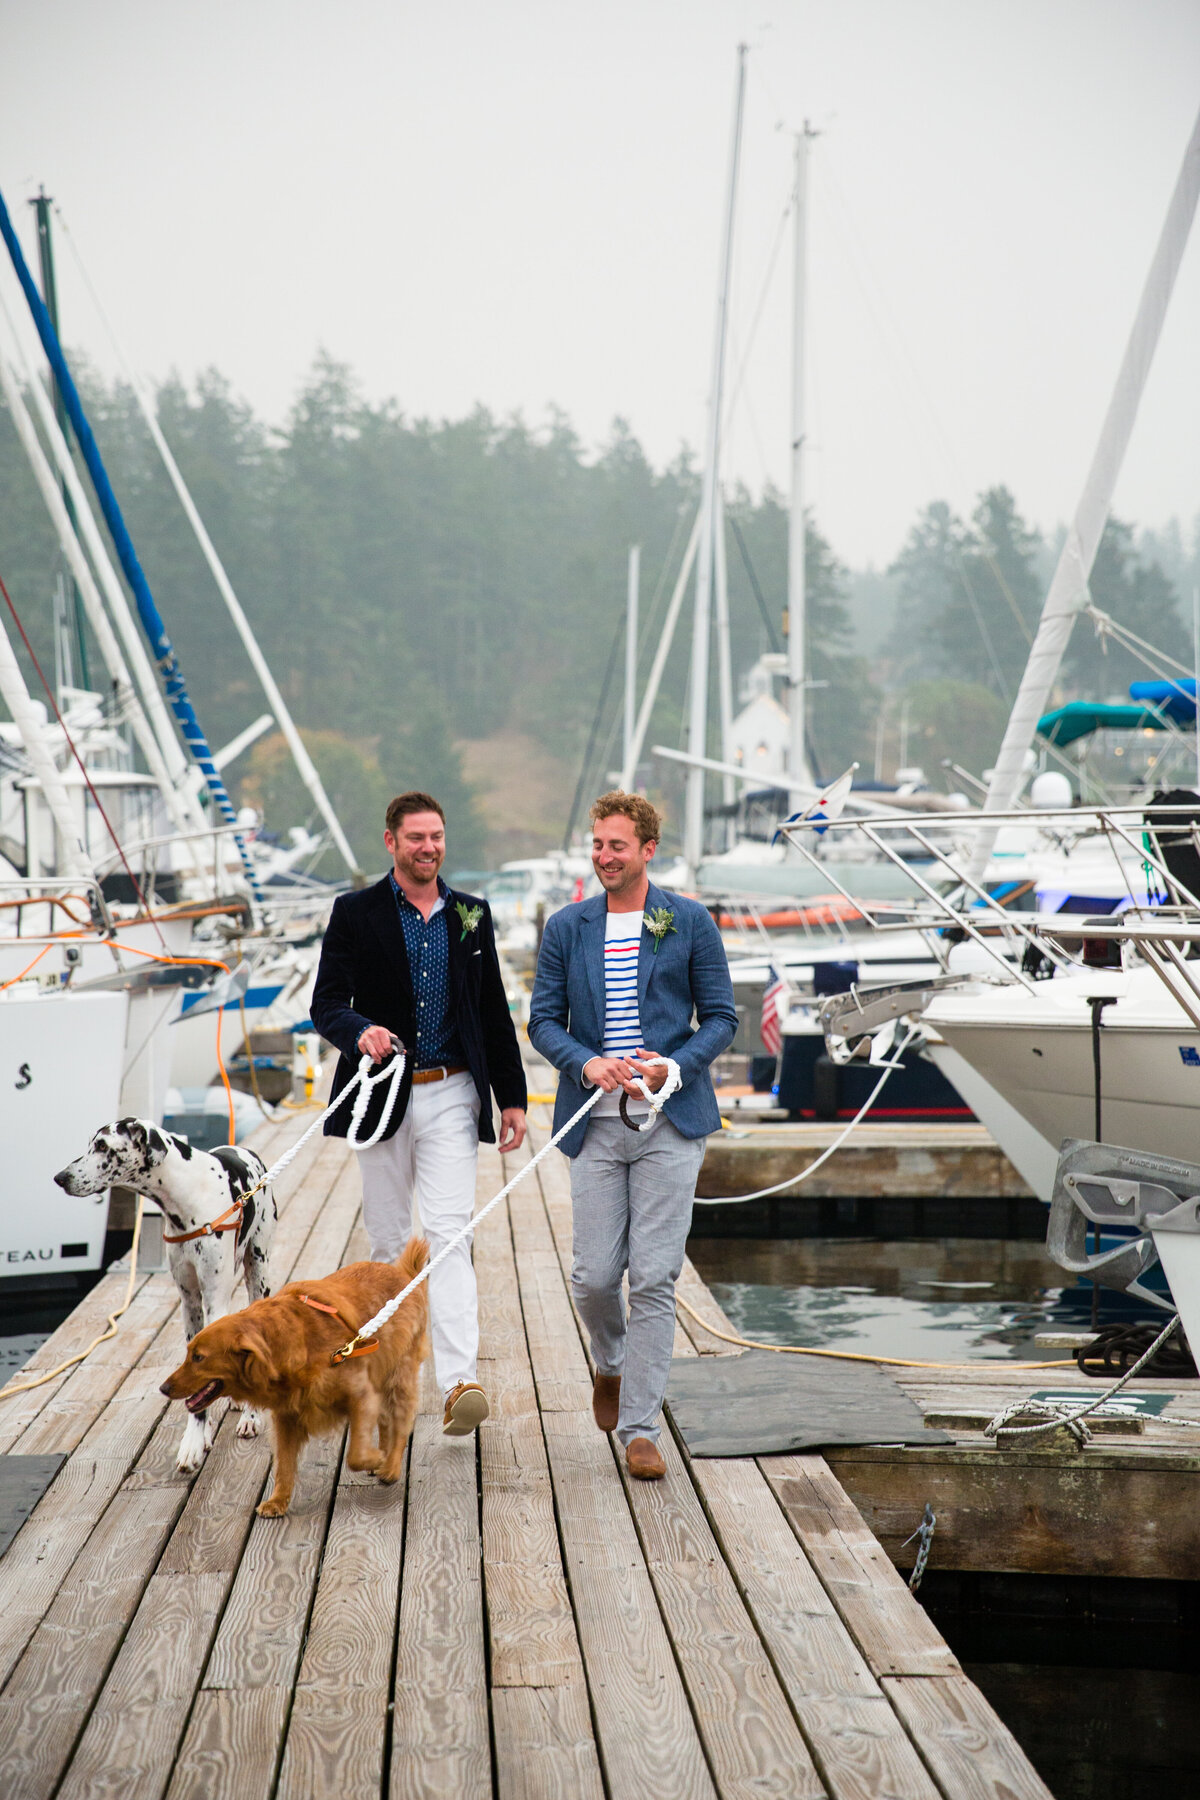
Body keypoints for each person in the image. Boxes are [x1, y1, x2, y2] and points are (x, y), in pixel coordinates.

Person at [528, 791, 736, 1479]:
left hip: (670, 1123)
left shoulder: (690, 922)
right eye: (597, 845)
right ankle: (609, 1364)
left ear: (648, 849)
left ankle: (641, 1430)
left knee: (652, 1277)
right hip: (593, 1123)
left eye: (616, 845)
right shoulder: (566, 927)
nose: (603, 857)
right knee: (593, 1278)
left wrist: (672, 1065)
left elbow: (722, 1019)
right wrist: (586, 1061)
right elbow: (543, 1021)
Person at [311, 790, 527, 1436]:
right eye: (416, 838)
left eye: (436, 837)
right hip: (380, 1096)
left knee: (449, 1233)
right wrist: (360, 1031)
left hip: (453, 1092)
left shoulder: (470, 914)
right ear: (391, 842)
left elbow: (491, 1010)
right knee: (386, 1243)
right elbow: (326, 1003)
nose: (428, 847)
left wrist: (510, 1096)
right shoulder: (355, 913)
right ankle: (383, 1375)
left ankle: (460, 1380)